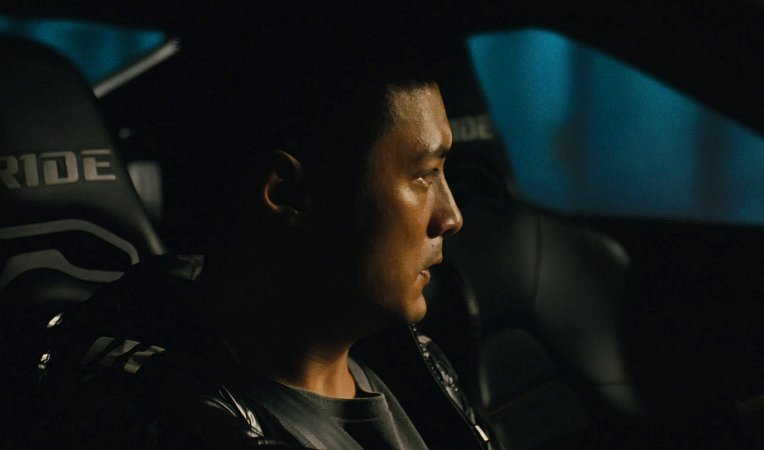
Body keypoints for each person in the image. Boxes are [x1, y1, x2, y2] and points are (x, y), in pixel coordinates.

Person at [33, 30, 493, 449]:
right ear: (286, 194)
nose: (451, 217)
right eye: (424, 175)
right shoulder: (170, 419)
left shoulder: (415, 365)